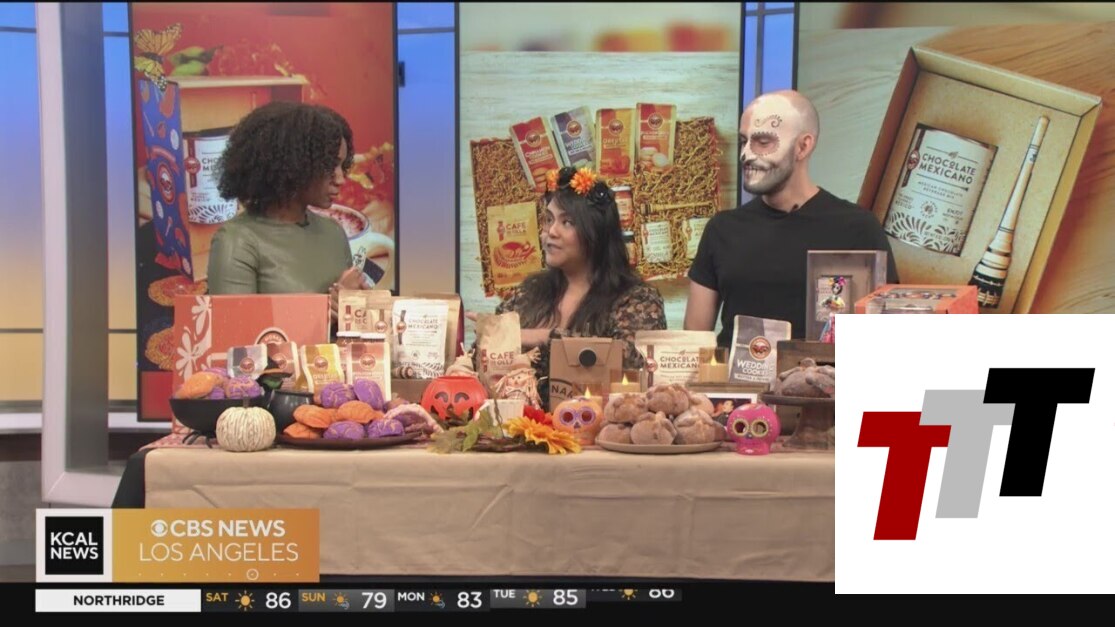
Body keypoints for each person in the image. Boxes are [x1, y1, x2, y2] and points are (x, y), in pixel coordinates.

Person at [684, 90, 899, 345]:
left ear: (803, 146)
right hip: (736, 372)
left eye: (763, 142)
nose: (746, 154)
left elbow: (887, 336)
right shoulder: (722, 229)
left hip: (822, 371)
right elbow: (694, 341)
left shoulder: (858, 228)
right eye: (744, 141)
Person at [485, 166, 667, 404]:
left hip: (596, 423)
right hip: (521, 425)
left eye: (567, 222)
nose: (551, 232)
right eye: (549, 219)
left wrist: (542, 337)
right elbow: (488, 357)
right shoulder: (529, 292)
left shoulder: (637, 298)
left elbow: (633, 360)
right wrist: (484, 337)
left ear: (596, 233)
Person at [209, 101, 369, 313]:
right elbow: (233, 329)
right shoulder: (236, 241)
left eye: (342, 165)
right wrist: (325, 310)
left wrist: (359, 307)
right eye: (329, 165)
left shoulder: (334, 232)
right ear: (294, 164)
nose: (340, 179)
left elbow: (347, 321)